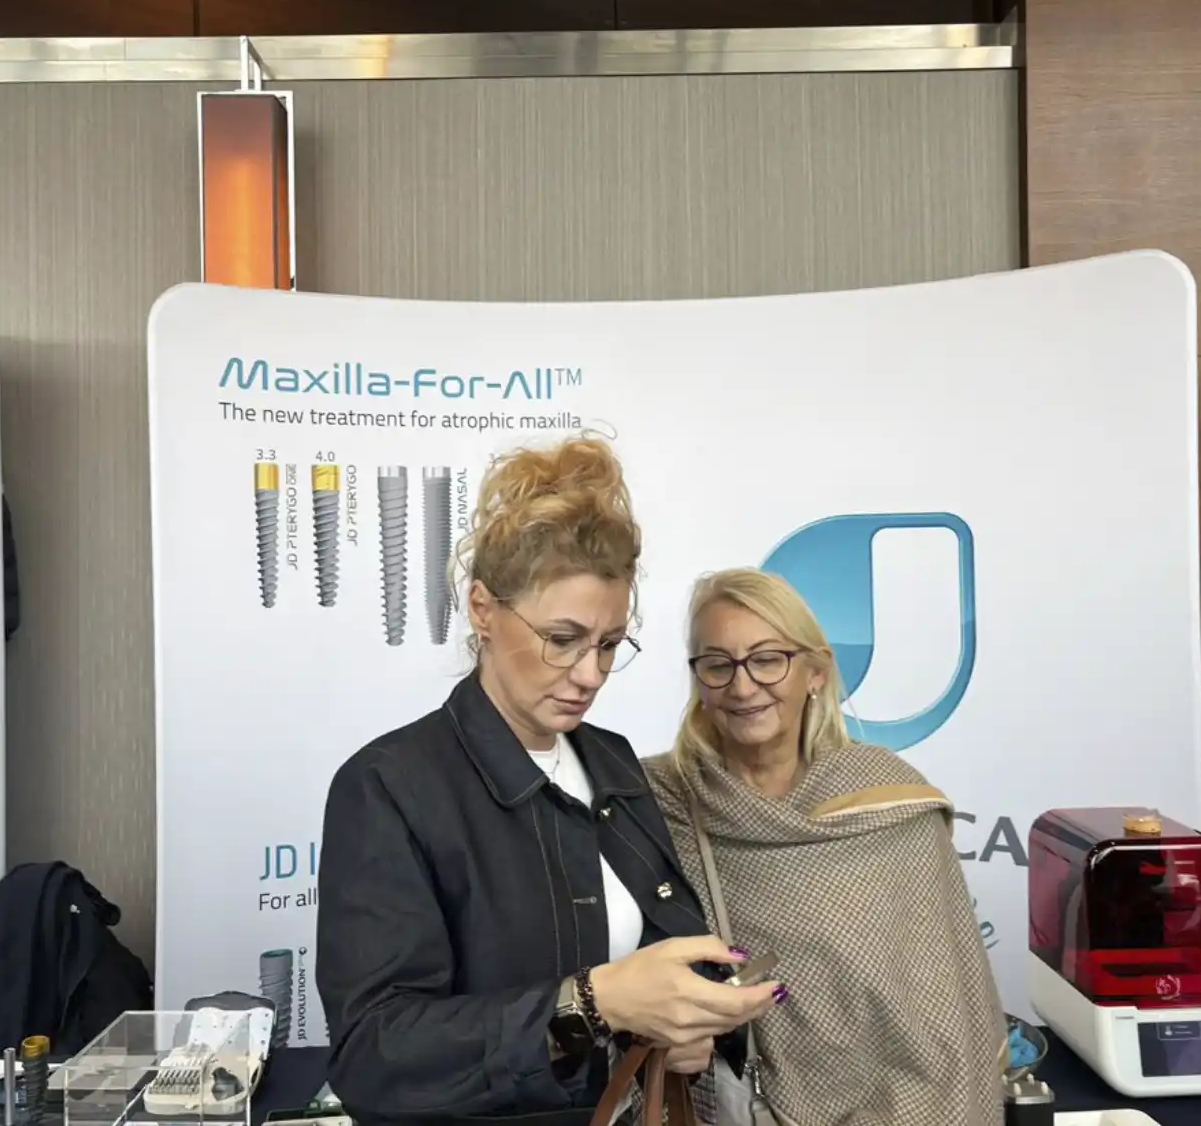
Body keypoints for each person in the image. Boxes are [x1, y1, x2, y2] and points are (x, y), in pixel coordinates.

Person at [316, 438, 779, 1126]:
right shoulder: (389, 787)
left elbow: (655, 972)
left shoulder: (612, 761)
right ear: (482, 608)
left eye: (609, 644)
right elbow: (376, 1058)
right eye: (561, 639)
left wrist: (688, 1025)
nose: (590, 674)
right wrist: (594, 1003)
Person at [643, 568, 1005, 1126]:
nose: (743, 687)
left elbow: (945, 997)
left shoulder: (889, 800)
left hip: (902, 1106)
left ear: (815, 672)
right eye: (718, 665)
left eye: (768, 660)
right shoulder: (653, 802)